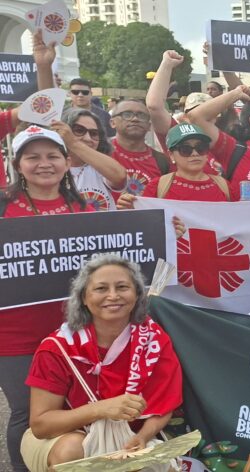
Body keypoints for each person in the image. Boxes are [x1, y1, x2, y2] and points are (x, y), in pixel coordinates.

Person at [20, 255, 181, 471]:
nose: (113, 296)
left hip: (130, 437)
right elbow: (41, 425)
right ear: (84, 298)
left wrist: (142, 437)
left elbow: (163, 406)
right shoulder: (57, 348)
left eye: (122, 287)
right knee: (72, 451)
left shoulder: (153, 339)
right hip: (66, 437)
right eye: (101, 288)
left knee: (161, 466)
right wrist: (101, 409)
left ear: (136, 295)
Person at [0, 127, 92, 472]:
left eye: (53, 156)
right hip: (15, 334)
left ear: (67, 162)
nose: (44, 164)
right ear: (18, 164)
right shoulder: (2, 206)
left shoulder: (83, 207)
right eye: (33, 157)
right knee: (26, 411)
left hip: (73, 331)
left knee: (70, 407)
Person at [117, 123, 229, 207]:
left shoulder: (224, 186)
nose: (195, 154)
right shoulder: (157, 187)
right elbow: (147, 224)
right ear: (171, 155)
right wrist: (132, 210)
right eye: (185, 149)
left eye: (201, 148)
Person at [55, 110, 125, 212]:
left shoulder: (101, 168)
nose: (88, 138)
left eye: (94, 133)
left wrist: (73, 143)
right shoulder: (51, 167)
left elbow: (120, 177)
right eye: (79, 130)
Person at [107, 99, 171, 196]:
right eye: (127, 114)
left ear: (149, 126)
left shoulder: (162, 161)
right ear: (112, 122)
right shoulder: (99, 152)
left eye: (142, 116)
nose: (135, 119)